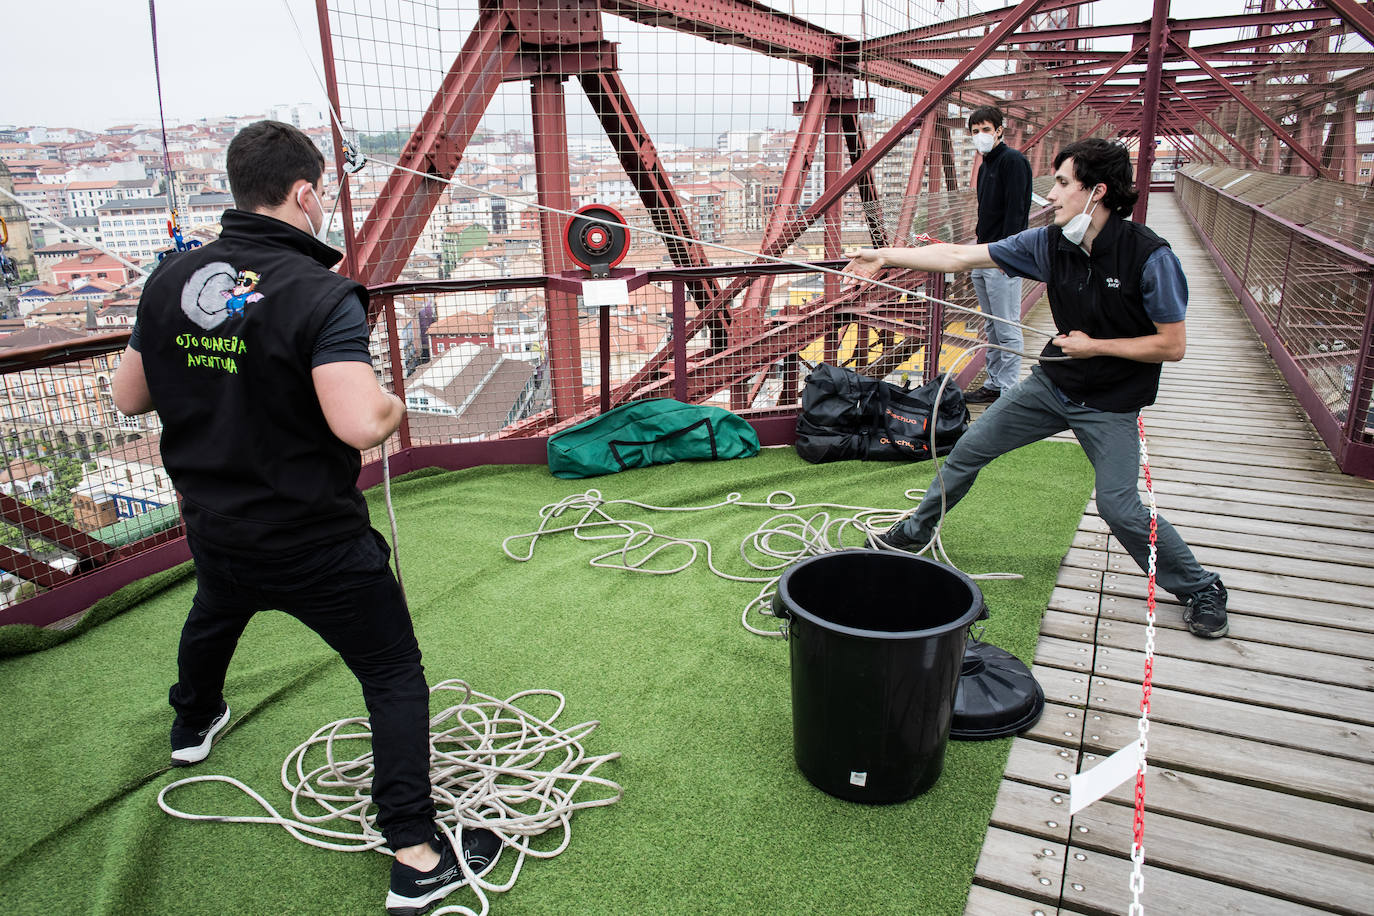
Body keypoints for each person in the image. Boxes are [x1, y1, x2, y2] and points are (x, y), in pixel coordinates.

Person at [112, 120, 501, 914]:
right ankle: (417, 855)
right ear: (304, 192)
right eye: (320, 192)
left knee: (217, 609)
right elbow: (360, 425)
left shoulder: (170, 281)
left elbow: (130, 397)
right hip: (312, 537)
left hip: (216, 525)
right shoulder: (321, 293)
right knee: (392, 675)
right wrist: (395, 403)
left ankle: (192, 726)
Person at [845, 137, 1229, 639]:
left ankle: (1200, 586)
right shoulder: (1048, 244)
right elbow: (962, 256)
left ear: (1098, 192)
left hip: (1111, 404)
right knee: (966, 453)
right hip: (1051, 385)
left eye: (1064, 184)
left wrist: (1096, 348)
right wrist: (883, 256)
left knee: (1119, 506)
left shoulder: (1150, 257)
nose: (1052, 196)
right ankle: (910, 536)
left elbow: (1171, 345)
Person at [965, 105, 1032, 403]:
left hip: (1001, 256)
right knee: (991, 323)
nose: (980, 136)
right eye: (975, 131)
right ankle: (994, 384)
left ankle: (1007, 389)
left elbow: (1018, 211)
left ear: (1000, 130)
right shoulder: (986, 165)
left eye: (986, 130)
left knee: (1006, 323)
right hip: (983, 252)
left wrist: (1010, 256)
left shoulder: (1013, 161)